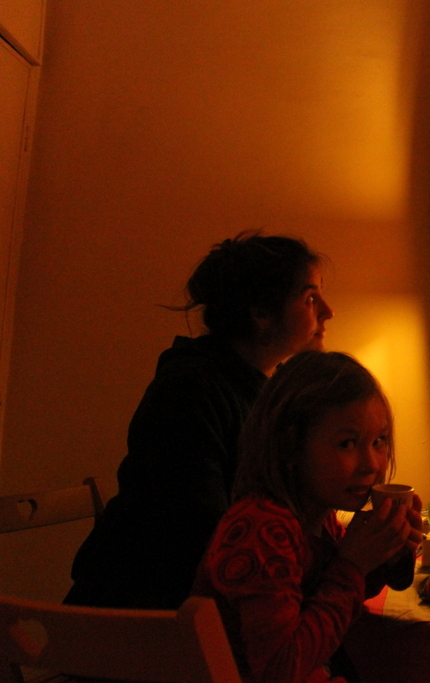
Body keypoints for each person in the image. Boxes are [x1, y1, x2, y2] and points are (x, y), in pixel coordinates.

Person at [65, 232, 334, 610]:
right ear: (261, 313)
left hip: (212, 604)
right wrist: (340, 563)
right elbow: (206, 537)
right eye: (309, 298)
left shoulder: (266, 391)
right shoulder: (189, 391)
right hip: (145, 616)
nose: (328, 311)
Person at [191, 350, 421, 683]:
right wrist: (352, 565)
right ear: (290, 446)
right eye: (347, 443)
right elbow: (280, 670)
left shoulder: (317, 518)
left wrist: (385, 556)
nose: (372, 464)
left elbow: (324, 602)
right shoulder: (262, 528)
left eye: (379, 441)